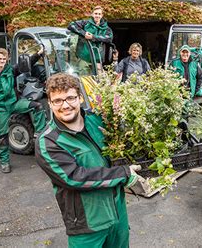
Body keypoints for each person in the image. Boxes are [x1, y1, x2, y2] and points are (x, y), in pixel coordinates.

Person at [35, 73, 141, 248]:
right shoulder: (48, 141)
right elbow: (74, 177)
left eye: (70, 98)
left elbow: (119, 146)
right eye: (58, 101)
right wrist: (123, 173)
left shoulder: (97, 120)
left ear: (80, 98)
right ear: (50, 104)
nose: (65, 105)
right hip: (87, 224)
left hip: (117, 212)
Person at [0, 48, 46, 173]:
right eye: (0, 58)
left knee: (36, 106)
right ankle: (4, 162)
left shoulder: (10, 70)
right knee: (2, 137)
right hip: (0, 109)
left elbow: (27, 63)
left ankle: (39, 133)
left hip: (14, 103)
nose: (2, 61)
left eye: (4, 59)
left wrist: (38, 53)